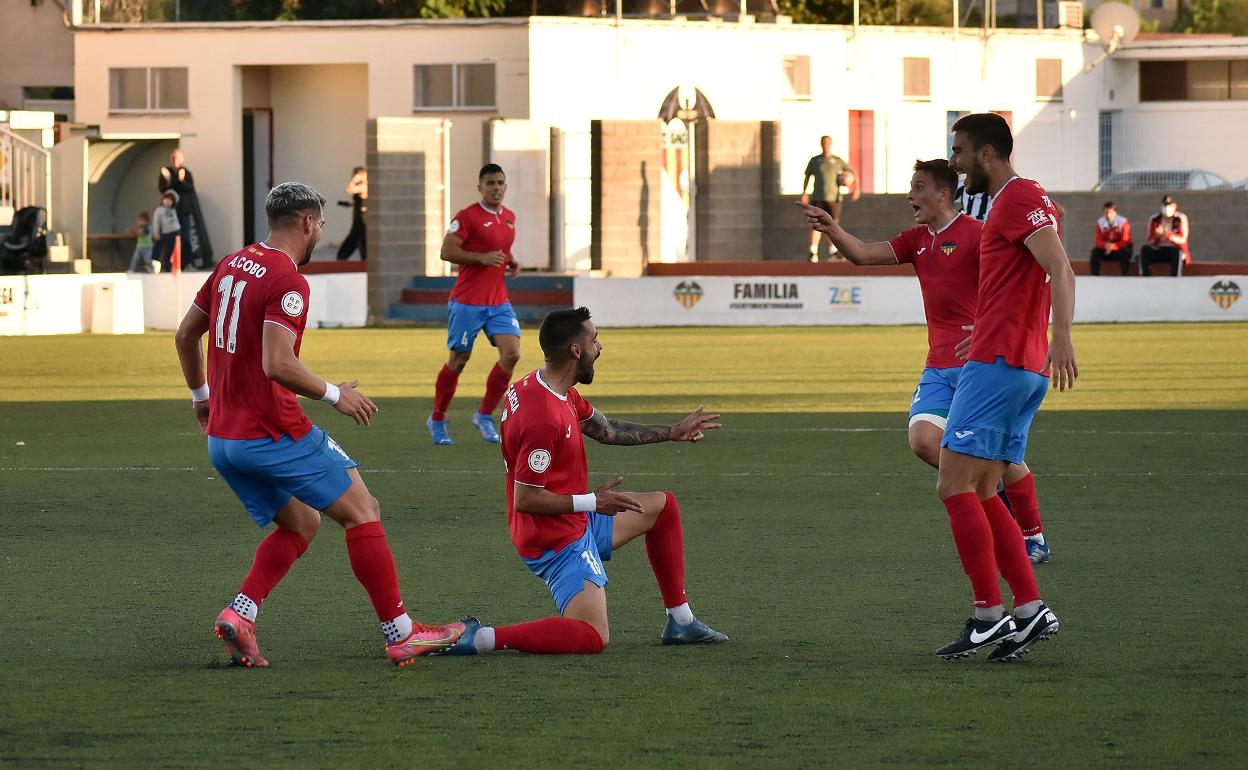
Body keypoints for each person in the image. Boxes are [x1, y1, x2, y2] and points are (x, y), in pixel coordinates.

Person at [173, 182, 462, 668]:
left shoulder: (230, 264)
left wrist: (201, 398)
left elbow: (185, 336)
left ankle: (240, 614)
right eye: (322, 225)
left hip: (224, 440)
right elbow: (276, 363)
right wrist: (336, 394)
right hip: (272, 433)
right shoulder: (287, 280)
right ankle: (402, 633)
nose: (321, 234)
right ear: (308, 223)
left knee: (302, 522)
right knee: (363, 509)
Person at [430, 307, 728, 656]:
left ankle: (681, 622)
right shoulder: (542, 417)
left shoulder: (553, 388)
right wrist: (592, 502)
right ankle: (478, 637)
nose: (600, 346)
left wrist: (672, 432)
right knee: (591, 636)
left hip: (576, 516)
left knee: (663, 508)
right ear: (576, 351)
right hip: (554, 537)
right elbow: (525, 499)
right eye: (594, 340)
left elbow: (607, 429)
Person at [798, 159, 1052, 566]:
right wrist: (833, 229)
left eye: (918, 187)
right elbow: (863, 255)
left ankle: (1033, 535)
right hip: (938, 366)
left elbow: (1019, 282)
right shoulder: (917, 239)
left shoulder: (977, 235)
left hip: (980, 365)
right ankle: (997, 502)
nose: (910, 195)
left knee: (997, 458)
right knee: (923, 441)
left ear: (944, 193)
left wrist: (1001, 330)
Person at [934, 112, 1076, 661]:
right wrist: (989, 327)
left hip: (1003, 365)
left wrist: (1061, 338)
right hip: (1011, 360)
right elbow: (1025, 280)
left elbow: (1060, 269)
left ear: (986, 154)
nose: (954, 162)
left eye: (959, 151)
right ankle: (1028, 610)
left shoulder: (1016, 197)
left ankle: (987, 616)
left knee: (953, 485)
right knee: (987, 489)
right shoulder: (1025, 198)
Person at [426, 163, 521, 446]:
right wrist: (481, 258)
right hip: (467, 301)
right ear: (480, 187)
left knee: (512, 354)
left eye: (501, 183)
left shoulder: (509, 217)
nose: (496, 188)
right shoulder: (467, 217)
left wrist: (510, 260)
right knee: (459, 360)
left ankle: (484, 415)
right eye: (490, 183)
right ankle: (438, 419)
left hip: (498, 301)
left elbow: (499, 247)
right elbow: (446, 251)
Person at [800, 135, 859, 262]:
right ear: (821, 144)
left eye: (827, 142)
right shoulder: (815, 160)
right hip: (818, 197)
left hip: (834, 198)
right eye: (823, 142)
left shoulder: (837, 161)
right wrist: (804, 192)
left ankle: (833, 252)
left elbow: (852, 172)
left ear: (830, 144)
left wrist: (855, 188)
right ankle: (813, 251)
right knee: (815, 223)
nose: (825, 144)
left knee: (832, 224)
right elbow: (807, 176)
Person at [160, 148, 215, 270]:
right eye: (173, 158)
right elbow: (163, 189)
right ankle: (168, 266)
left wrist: (181, 180)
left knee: (186, 238)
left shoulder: (186, 172)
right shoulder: (166, 172)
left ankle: (188, 263)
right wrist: (169, 180)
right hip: (170, 213)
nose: (175, 161)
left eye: (177, 158)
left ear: (182, 159)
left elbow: (189, 188)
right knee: (170, 239)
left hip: (184, 211)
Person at [1139, 195, 1189, 277]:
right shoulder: (1154, 219)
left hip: (1174, 249)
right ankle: (1145, 276)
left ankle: (1175, 277)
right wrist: (1157, 236)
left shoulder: (1180, 218)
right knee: (1145, 250)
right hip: (1159, 248)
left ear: (1175, 206)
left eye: (1170, 205)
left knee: (1176, 252)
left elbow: (1183, 239)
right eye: (1165, 205)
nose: (1167, 208)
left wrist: (1167, 234)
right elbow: (1149, 240)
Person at [1090, 201, 1133, 276]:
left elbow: (1125, 241)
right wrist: (1106, 246)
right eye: (1106, 213)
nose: (1108, 215)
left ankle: (1126, 275)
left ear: (1115, 212)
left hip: (1119, 248)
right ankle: (1094, 275)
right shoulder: (1100, 222)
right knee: (1095, 252)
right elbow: (1098, 241)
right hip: (1106, 249)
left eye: (1111, 212)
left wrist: (1112, 246)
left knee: (1125, 252)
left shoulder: (1123, 222)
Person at [336, 166, 367, 261]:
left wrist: (354, 180)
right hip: (358, 216)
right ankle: (342, 258)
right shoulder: (362, 186)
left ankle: (342, 258)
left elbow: (349, 189)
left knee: (361, 239)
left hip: (362, 218)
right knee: (357, 239)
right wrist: (348, 203)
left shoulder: (364, 186)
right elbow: (359, 201)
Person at [151, 191, 181, 273]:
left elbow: (177, 198)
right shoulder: (159, 210)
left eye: (170, 200)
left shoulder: (173, 209)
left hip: (175, 232)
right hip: (165, 233)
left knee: (171, 251)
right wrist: (156, 233)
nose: (168, 201)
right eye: (166, 199)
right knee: (162, 251)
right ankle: (160, 267)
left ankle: (170, 268)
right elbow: (156, 222)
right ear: (162, 200)